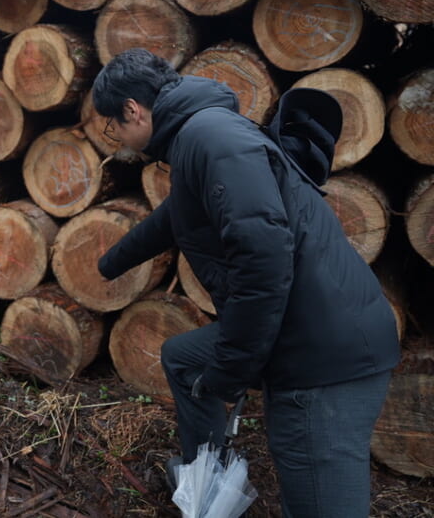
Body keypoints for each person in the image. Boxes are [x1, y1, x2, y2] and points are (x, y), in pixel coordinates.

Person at [92, 48, 399, 517]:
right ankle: (206, 478)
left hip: (323, 360)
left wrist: (232, 370)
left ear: (132, 110)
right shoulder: (203, 134)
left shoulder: (211, 139)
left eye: (113, 126)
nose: (118, 138)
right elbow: (179, 212)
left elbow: (264, 257)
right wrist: (111, 262)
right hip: (308, 326)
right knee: (185, 358)